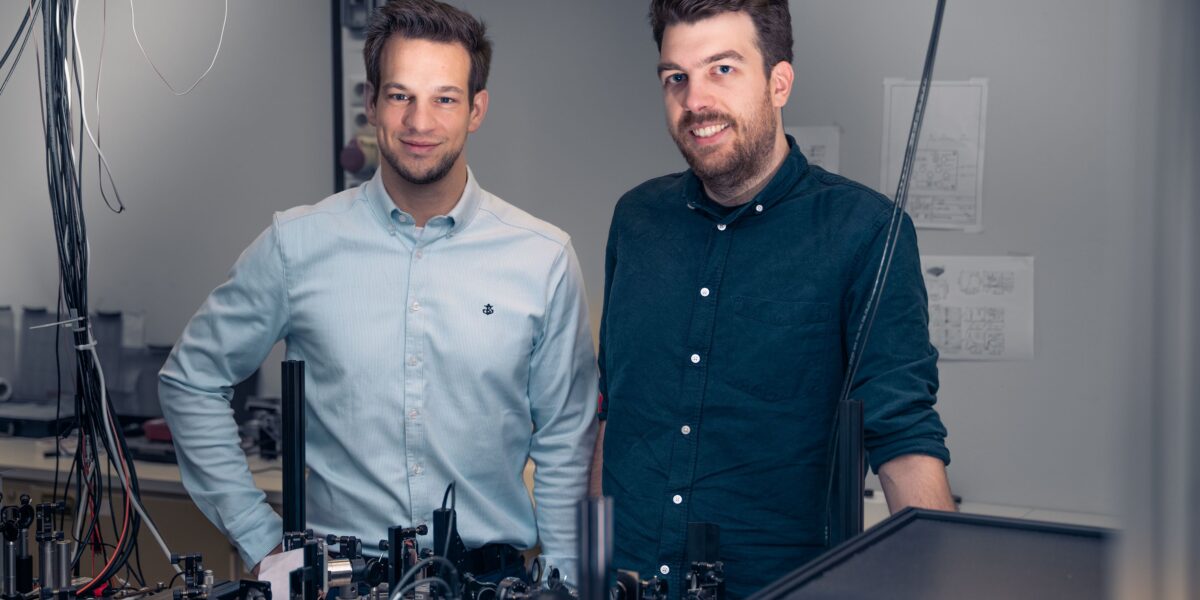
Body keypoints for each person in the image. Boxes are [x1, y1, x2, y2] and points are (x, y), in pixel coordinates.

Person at [159, 0, 597, 583]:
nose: (420, 122)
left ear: (476, 110)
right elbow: (191, 379)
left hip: (490, 583)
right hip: (338, 579)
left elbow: (567, 441)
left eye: (445, 98)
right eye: (400, 96)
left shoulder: (543, 259)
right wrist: (260, 540)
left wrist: (564, 586)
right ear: (371, 103)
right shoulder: (297, 244)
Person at [591, 0, 954, 596]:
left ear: (778, 82)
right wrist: (590, 565)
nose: (696, 100)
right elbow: (615, 409)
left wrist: (952, 583)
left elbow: (904, 434)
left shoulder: (866, 232)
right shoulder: (636, 220)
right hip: (625, 581)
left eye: (723, 69)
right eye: (675, 78)